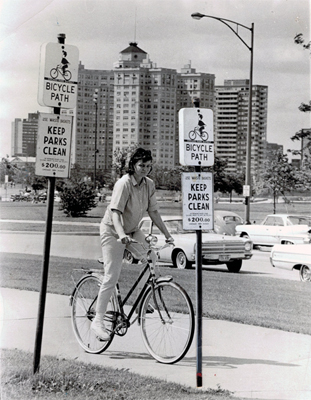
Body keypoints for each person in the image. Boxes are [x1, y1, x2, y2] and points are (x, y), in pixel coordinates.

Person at [91, 148, 174, 340]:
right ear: (133, 165)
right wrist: (121, 234)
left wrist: (168, 234)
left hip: (132, 230)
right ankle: (98, 320)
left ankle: (144, 301)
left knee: (152, 256)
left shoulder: (149, 184)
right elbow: (115, 212)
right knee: (112, 276)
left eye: (147, 165)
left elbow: (153, 212)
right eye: (141, 165)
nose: (144, 169)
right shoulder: (124, 183)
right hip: (113, 231)